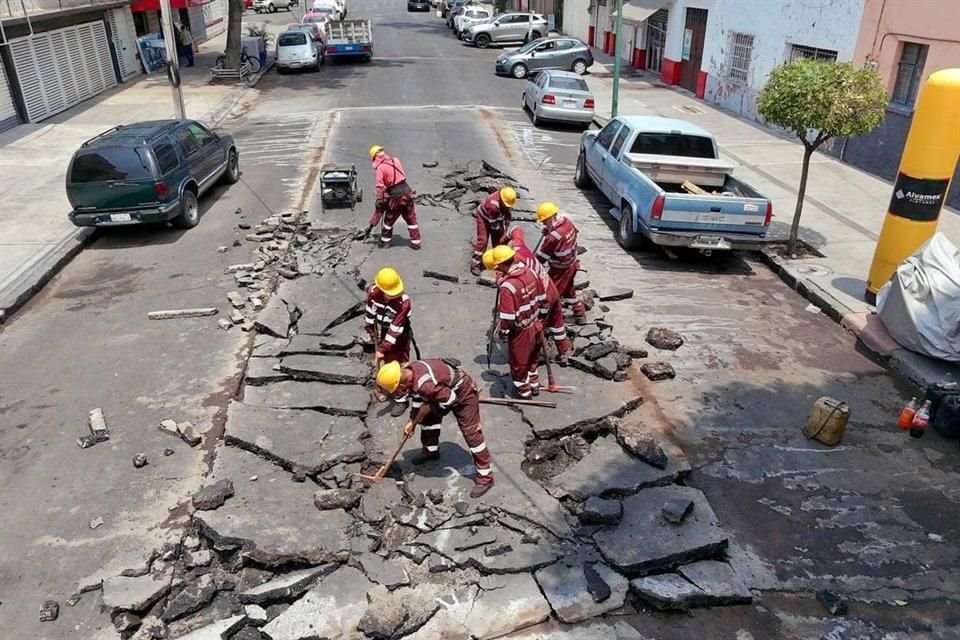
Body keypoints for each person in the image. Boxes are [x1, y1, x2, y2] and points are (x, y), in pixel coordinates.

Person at [376, 359, 494, 498]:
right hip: (441, 391)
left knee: (471, 433)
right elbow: (419, 398)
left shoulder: (424, 385)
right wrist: (413, 420)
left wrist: (432, 408)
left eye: (396, 391)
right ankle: (430, 452)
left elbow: (450, 400)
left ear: (401, 383)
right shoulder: (410, 371)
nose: (397, 394)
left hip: (462, 392)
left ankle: (486, 478)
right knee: (427, 419)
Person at [483, 245, 544, 399]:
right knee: (533, 358)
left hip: (521, 331)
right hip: (536, 323)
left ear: (501, 265)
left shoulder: (508, 287)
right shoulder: (531, 272)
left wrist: (503, 333)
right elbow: (544, 299)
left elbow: (507, 318)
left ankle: (524, 392)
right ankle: (534, 385)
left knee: (519, 363)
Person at [506, 226, 570, 363]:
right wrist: (504, 238)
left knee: (538, 324)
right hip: (550, 285)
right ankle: (564, 350)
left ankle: (537, 353)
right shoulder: (518, 246)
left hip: (543, 293)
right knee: (557, 320)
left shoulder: (521, 267)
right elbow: (517, 229)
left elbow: (527, 290)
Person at [364, 267, 414, 417]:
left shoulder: (403, 302)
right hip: (384, 328)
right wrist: (371, 329)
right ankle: (386, 384)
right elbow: (370, 312)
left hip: (400, 334)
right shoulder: (374, 293)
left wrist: (382, 348)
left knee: (397, 364)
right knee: (386, 360)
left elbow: (396, 328)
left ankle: (401, 398)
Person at [535, 202, 587, 325]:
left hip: (560, 269)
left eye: (544, 221)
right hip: (572, 263)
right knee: (569, 291)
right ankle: (580, 313)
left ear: (550, 217)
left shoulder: (553, 237)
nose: (543, 223)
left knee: (550, 294)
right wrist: (549, 230)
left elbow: (542, 257)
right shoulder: (567, 222)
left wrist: (531, 266)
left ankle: (545, 321)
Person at [367, 145, 421, 250]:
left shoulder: (380, 168)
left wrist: (379, 200)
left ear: (374, 158)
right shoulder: (395, 160)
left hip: (396, 196)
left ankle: (385, 242)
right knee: (411, 218)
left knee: (389, 218)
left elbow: (379, 187)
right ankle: (416, 243)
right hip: (407, 190)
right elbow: (396, 177)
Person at [470, 186, 517, 275]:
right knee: (483, 241)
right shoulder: (492, 205)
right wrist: (503, 233)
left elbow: (508, 213)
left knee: (499, 242)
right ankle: (475, 264)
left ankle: (499, 262)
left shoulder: (505, 198)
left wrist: (506, 226)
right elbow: (494, 226)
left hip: (495, 218)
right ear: (502, 200)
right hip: (484, 218)